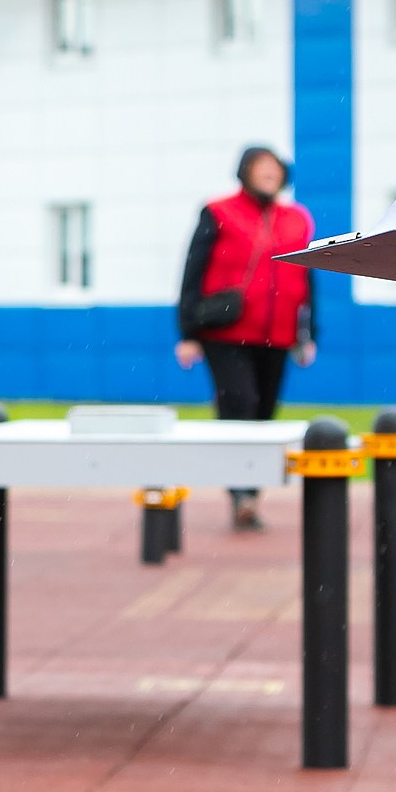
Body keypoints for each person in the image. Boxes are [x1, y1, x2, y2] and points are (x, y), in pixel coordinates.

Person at [175, 146, 316, 532]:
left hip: (279, 334)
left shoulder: (296, 219)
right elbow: (192, 270)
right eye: (261, 166)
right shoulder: (218, 211)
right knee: (240, 404)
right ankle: (240, 493)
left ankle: (250, 490)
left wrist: (308, 332)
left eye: (275, 167)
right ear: (245, 171)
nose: (269, 173)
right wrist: (187, 333)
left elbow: (307, 274)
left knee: (265, 412)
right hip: (226, 333)